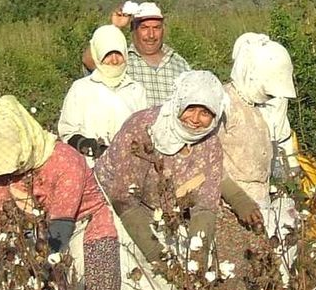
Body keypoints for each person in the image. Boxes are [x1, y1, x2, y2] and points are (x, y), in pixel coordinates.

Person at [0, 96, 169, 290]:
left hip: (87, 231)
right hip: (43, 237)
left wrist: (38, 271)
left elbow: (61, 228)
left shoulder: (64, 161)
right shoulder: (2, 171)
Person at [95, 70, 230, 270]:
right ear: (178, 104)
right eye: (190, 108)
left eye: (205, 113)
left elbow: (205, 205)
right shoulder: (144, 128)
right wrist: (159, 257)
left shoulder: (209, 143)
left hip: (161, 212)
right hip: (113, 205)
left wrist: (196, 264)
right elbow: (123, 199)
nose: (195, 119)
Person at [219, 33, 301, 270]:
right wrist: (236, 200)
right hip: (232, 208)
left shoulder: (255, 109)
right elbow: (209, 161)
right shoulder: (225, 103)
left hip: (260, 204)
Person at [58, 25, 148, 162]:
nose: (114, 60)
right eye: (107, 55)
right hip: (89, 168)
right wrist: (86, 145)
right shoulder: (81, 88)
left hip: (128, 168)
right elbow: (67, 132)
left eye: (118, 54)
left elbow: (144, 132)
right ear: (97, 55)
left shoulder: (136, 90)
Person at [83, 2, 191, 107]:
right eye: (144, 28)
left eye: (156, 28)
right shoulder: (121, 60)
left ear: (163, 30)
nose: (151, 35)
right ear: (133, 29)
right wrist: (115, 27)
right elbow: (89, 62)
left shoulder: (180, 64)